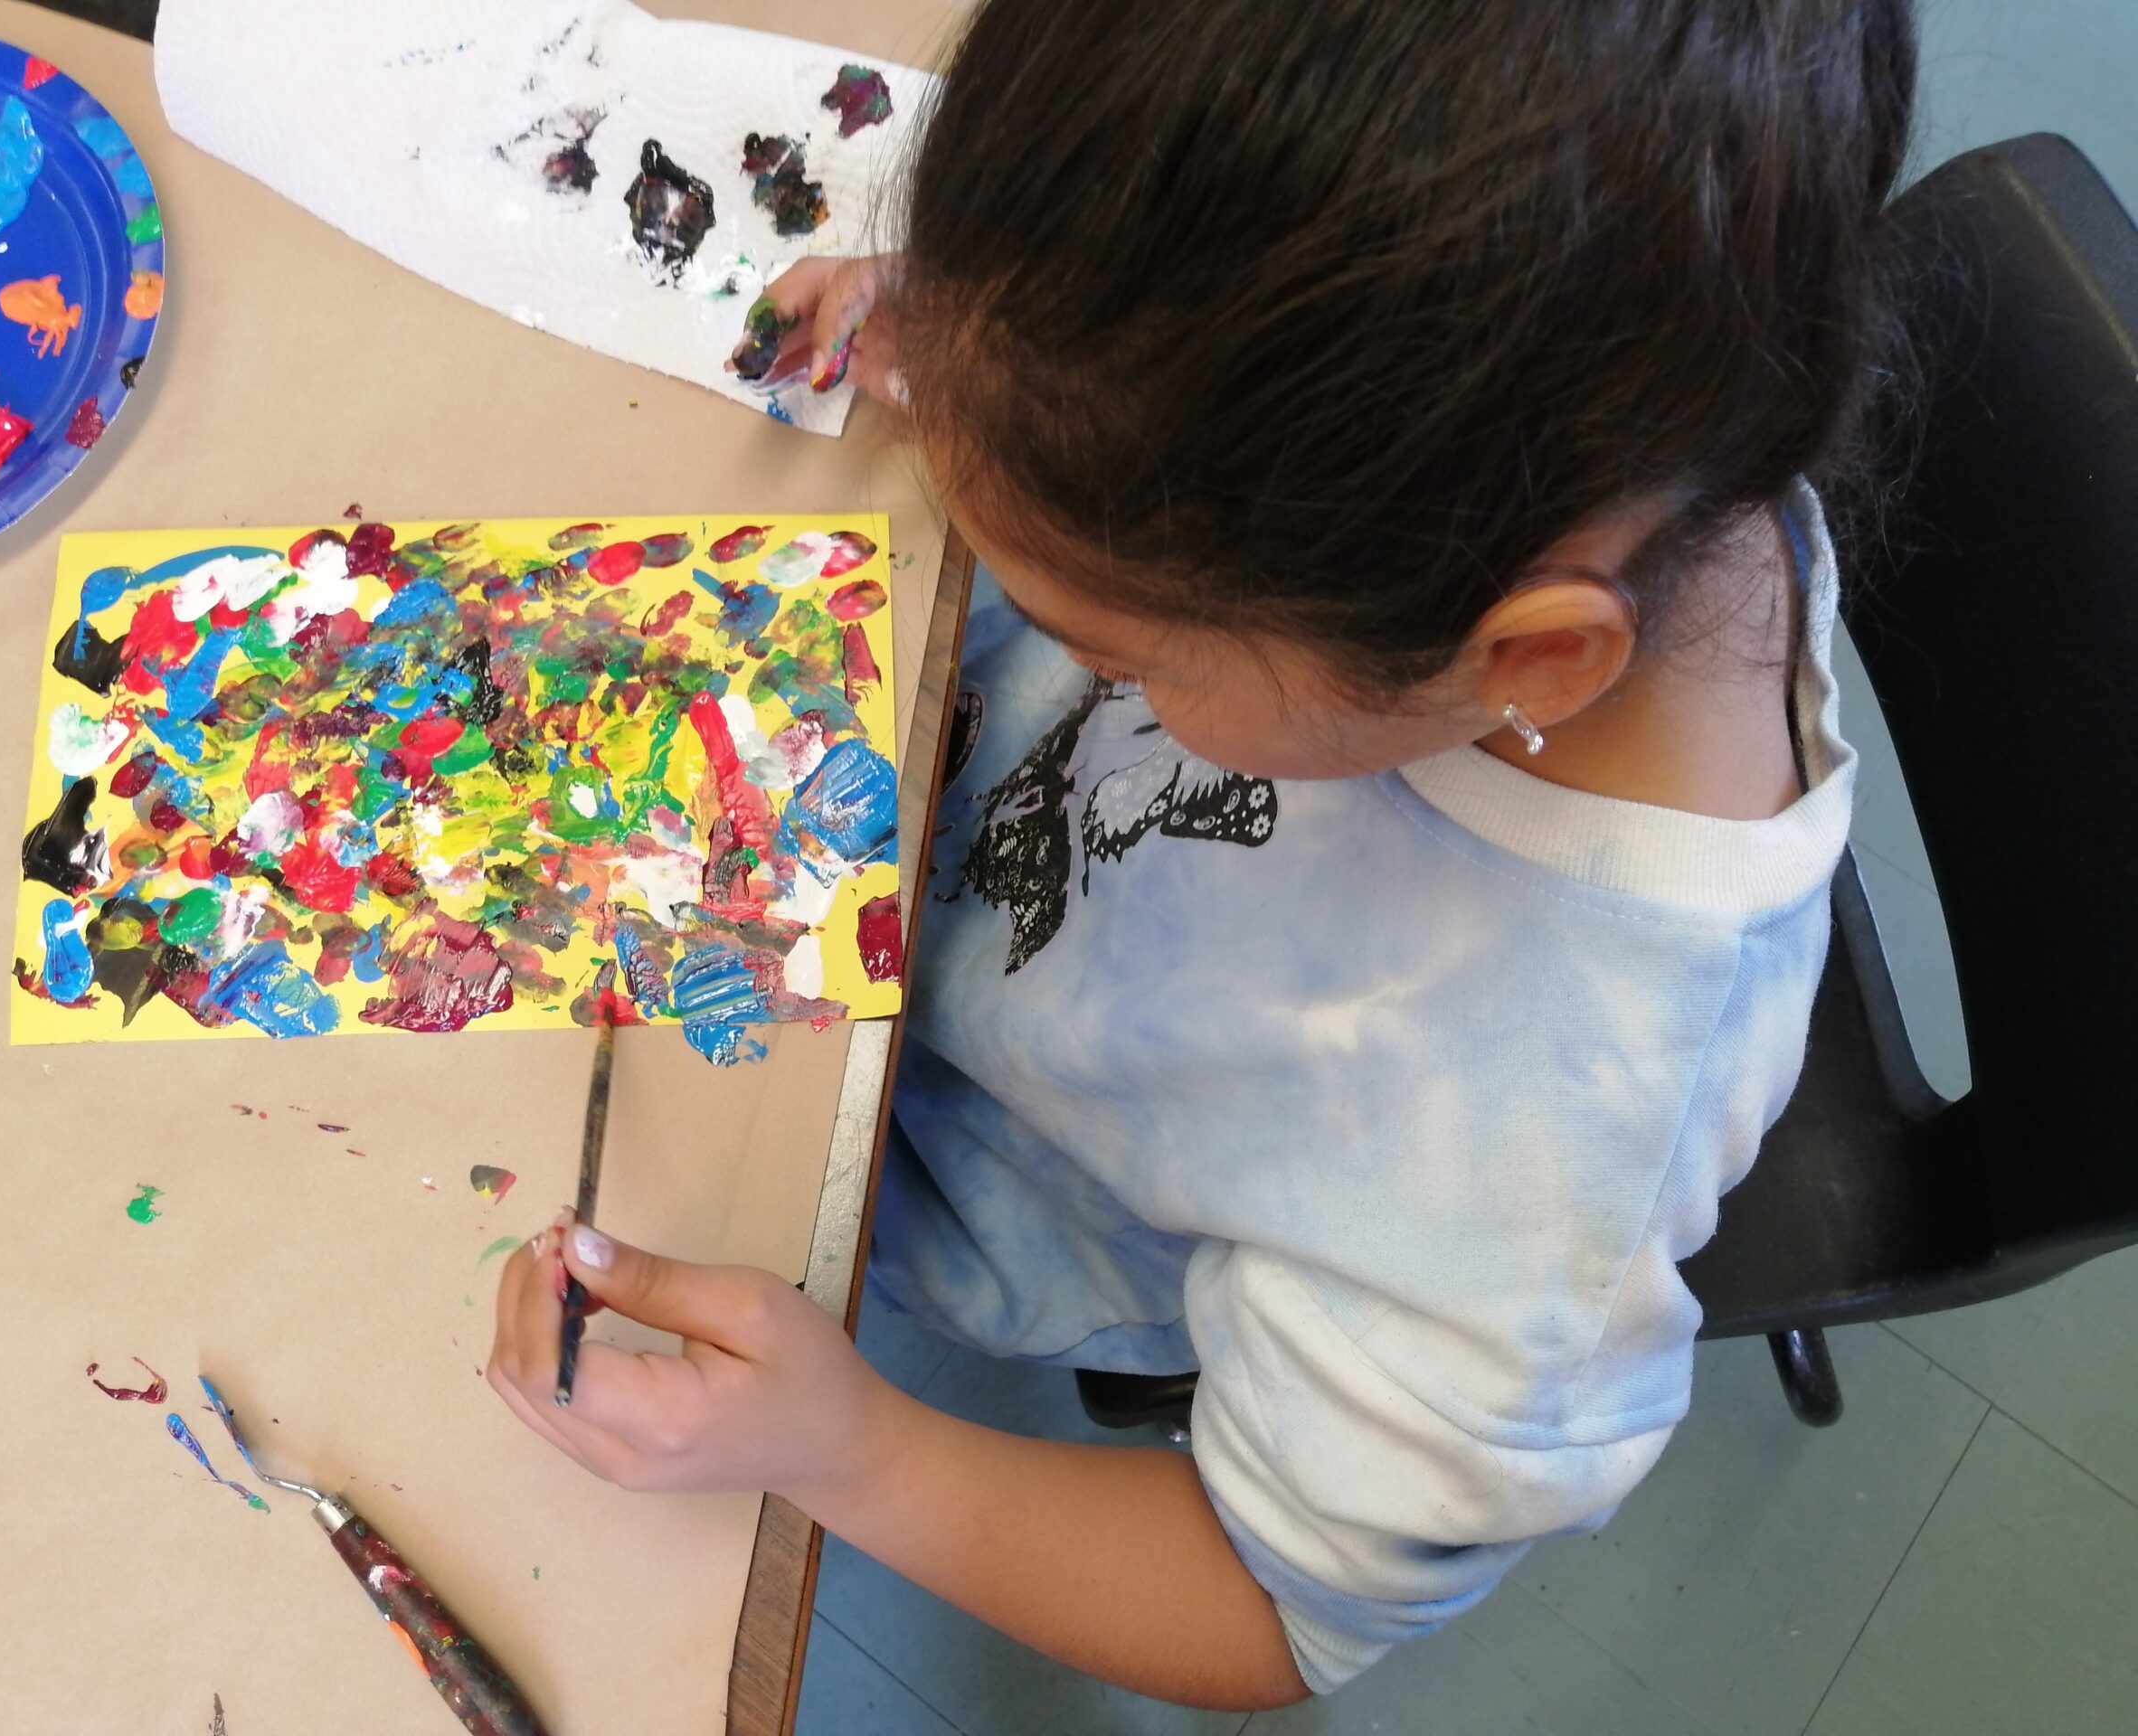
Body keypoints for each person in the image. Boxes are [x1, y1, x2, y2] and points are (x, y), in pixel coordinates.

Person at [486, 0, 1916, 1708]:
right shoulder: (1579, 425)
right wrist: (1011, 357)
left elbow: (1270, 1610)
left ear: (1521, 660)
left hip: (976, 1166)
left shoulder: (1524, 1180)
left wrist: (854, 1448)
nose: (1108, 664)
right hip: (926, 895)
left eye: (1133, 654)